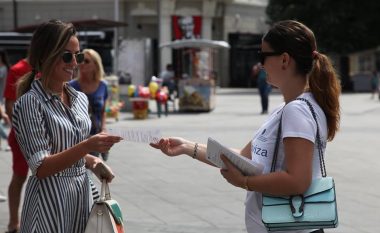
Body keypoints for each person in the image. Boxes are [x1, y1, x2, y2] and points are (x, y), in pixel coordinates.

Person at [151, 20, 341, 233]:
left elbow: (298, 181)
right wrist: (187, 147)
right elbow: (244, 157)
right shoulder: (286, 109)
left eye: (263, 56)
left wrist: (245, 182)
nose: (261, 64)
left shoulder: (296, 111)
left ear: (285, 60)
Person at [12, 19, 122, 233]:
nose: (75, 63)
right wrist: (87, 146)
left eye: (78, 55)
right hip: (49, 205)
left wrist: (92, 161)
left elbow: (67, 147)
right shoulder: (30, 103)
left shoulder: (80, 98)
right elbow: (41, 167)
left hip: (82, 197)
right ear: (45, 56)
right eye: (67, 56)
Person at [3, 57, 31, 233]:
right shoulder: (18, 69)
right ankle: (14, 222)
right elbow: (9, 105)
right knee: (19, 176)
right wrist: (26, 129)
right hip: (22, 135)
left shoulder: (53, 65)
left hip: (47, 134)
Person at [69, 48, 109, 161]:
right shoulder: (71, 86)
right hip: (77, 138)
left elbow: (103, 111)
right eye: (80, 60)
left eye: (86, 61)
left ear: (95, 65)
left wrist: (104, 130)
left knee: (93, 168)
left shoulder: (103, 86)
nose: (81, 63)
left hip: (96, 135)